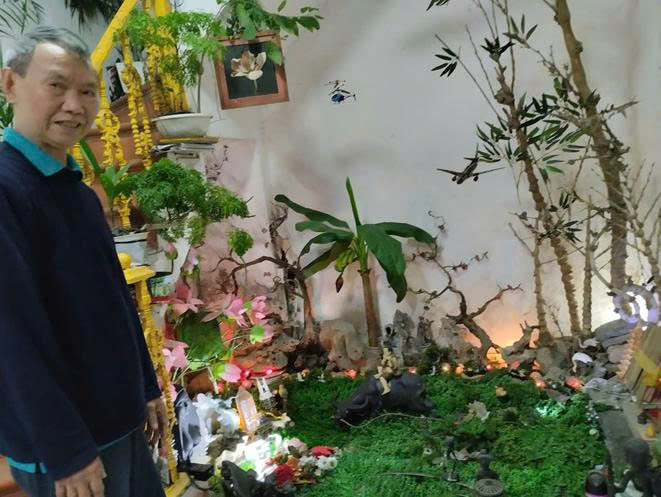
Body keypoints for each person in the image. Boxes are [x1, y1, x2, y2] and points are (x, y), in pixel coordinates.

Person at [0, 27, 169, 497]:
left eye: (88, 91)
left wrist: (146, 387)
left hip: (117, 423)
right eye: (56, 85)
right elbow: (11, 337)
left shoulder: (76, 192)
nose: (75, 106)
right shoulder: (7, 190)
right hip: (68, 449)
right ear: (10, 84)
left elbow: (116, 299)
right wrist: (66, 450)